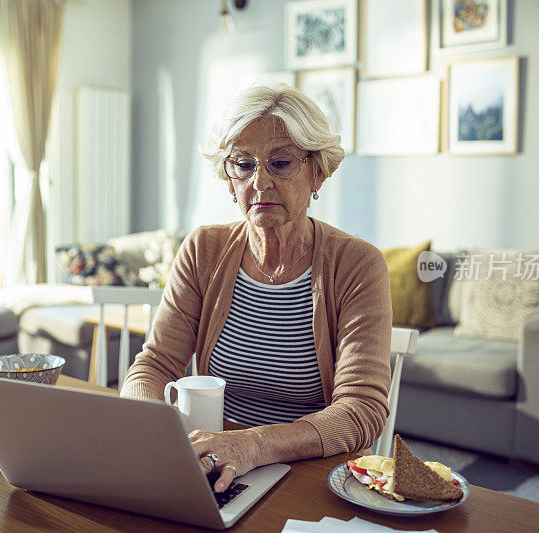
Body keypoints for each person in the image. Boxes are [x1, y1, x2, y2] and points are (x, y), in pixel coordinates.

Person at [120, 84, 392, 493]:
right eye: (243, 165)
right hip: (216, 459)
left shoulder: (357, 263)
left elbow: (361, 410)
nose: (259, 182)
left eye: (281, 163)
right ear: (229, 181)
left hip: (310, 472)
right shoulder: (203, 249)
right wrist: (154, 432)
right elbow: (155, 365)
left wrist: (253, 445)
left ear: (317, 171)